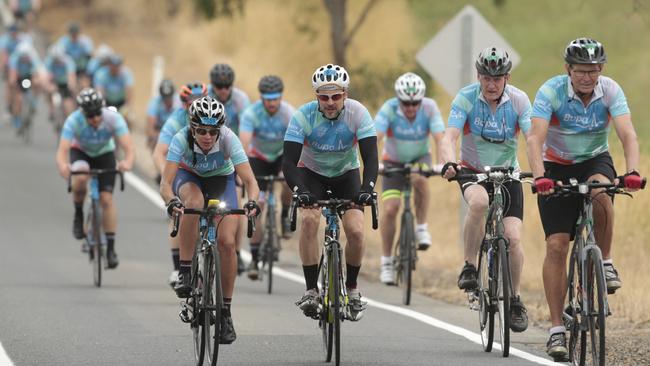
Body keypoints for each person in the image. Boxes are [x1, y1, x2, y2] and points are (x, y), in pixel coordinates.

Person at [526, 38, 642, 361]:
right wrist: (539, 177)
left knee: (602, 189)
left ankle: (604, 262)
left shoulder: (611, 91)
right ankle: (555, 330)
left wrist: (632, 171)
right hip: (555, 165)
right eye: (581, 71)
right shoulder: (551, 91)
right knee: (557, 246)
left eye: (593, 71)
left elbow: (628, 133)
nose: (587, 77)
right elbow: (535, 139)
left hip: (594, 159)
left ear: (601, 69)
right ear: (568, 70)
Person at [441, 47, 532, 333]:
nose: (492, 84)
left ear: (507, 77)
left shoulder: (519, 100)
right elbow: (449, 136)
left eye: (498, 78)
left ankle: (515, 299)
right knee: (478, 203)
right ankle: (469, 265)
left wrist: (542, 172)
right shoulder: (466, 98)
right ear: (478, 76)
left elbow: (532, 140)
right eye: (486, 78)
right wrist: (449, 162)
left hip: (508, 173)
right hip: (472, 169)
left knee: (514, 238)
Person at [160, 96, 260, 344]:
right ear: (192, 127)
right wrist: (172, 201)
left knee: (227, 243)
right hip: (189, 177)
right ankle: (185, 271)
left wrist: (252, 202)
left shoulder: (228, 138)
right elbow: (165, 183)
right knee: (193, 205)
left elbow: (250, 182)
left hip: (221, 181)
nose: (206, 136)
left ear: (220, 130)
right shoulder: (181, 139)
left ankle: (225, 312)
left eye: (212, 131)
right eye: (201, 131)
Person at [283, 63, 378, 321]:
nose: (330, 102)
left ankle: (353, 289)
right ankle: (312, 290)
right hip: (311, 174)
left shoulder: (358, 113)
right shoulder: (303, 116)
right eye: (324, 97)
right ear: (317, 97)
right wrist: (300, 190)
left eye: (336, 96)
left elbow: (370, 157)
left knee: (357, 231)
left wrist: (367, 189)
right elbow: (288, 162)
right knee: (311, 220)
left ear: (345, 94)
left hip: (346, 175)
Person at [375, 71, 445, 285]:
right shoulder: (389, 108)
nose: (411, 108)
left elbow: (440, 138)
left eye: (415, 103)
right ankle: (387, 262)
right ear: (399, 99)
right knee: (390, 209)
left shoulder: (430, 107)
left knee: (419, 178)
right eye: (406, 103)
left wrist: (442, 163)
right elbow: (374, 137)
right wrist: (374, 163)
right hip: (392, 161)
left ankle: (421, 227)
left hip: (419, 157)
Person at [55, 88, 135, 269]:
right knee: (81, 177)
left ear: (103, 109)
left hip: (105, 153)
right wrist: (63, 166)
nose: (95, 119)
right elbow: (62, 150)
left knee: (106, 199)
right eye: (90, 116)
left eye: (97, 114)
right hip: (81, 152)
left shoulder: (113, 118)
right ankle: (78, 213)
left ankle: (111, 249)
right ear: (83, 113)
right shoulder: (73, 120)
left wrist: (127, 163)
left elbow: (129, 147)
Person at [239, 75, 295, 279]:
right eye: (267, 98)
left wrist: (288, 170)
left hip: (281, 155)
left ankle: (284, 214)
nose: (272, 103)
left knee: (290, 180)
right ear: (261, 98)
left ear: (281, 97)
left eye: (275, 98)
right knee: (257, 206)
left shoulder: (289, 113)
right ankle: (254, 259)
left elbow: (296, 143)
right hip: (259, 158)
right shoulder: (251, 114)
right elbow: (244, 144)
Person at [152, 82, 207, 286]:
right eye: (190, 102)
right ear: (183, 104)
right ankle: (178, 268)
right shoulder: (176, 121)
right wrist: (165, 176)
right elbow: (159, 152)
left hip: (210, 171)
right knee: (180, 214)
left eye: (199, 101)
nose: (194, 106)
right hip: (183, 171)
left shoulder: (213, 115)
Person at [208, 63, 251, 275]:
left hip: (232, 151)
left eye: (227, 86)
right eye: (219, 85)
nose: (223, 89)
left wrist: (241, 166)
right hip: (208, 153)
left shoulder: (241, 100)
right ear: (212, 85)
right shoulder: (205, 98)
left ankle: (237, 251)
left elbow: (246, 132)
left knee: (237, 207)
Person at [7, 41, 43, 131]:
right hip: (18, 77)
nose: (24, 59)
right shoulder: (14, 59)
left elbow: (36, 73)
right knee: (18, 99)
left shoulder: (33, 58)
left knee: (38, 82)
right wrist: (13, 82)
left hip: (28, 76)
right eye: (23, 56)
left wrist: (37, 81)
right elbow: (12, 74)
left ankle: (34, 102)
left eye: (26, 56)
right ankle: (17, 118)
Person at [93, 54, 134, 126]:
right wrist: (103, 109)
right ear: (109, 65)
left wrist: (127, 108)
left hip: (121, 103)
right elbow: (100, 94)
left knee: (128, 120)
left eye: (117, 66)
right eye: (113, 65)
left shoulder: (126, 74)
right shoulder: (101, 74)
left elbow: (129, 93)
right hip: (107, 102)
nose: (115, 68)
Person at [44, 46, 77, 123]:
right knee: (48, 90)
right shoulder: (49, 61)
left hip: (65, 83)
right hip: (55, 82)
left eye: (58, 60)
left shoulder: (68, 61)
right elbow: (47, 77)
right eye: (55, 60)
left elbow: (71, 76)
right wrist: (48, 86)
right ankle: (51, 108)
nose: (57, 62)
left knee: (68, 102)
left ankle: (71, 118)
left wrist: (71, 86)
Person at [146, 78, 181, 151]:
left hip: (175, 130)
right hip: (160, 130)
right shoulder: (154, 103)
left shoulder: (179, 103)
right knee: (153, 141)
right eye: (165, 98)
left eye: (169, 97)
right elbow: (150, 129)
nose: (167, 100)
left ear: (173, 95)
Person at [56, 22, 93, 88]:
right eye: (72, 33)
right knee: (72, 84)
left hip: (82, 67)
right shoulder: (63, 41)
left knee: (84, 83)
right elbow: (59, 55)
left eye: (75, 33)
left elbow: (90, 55)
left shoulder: (85, 41)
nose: (74, 35)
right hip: (68, 68)